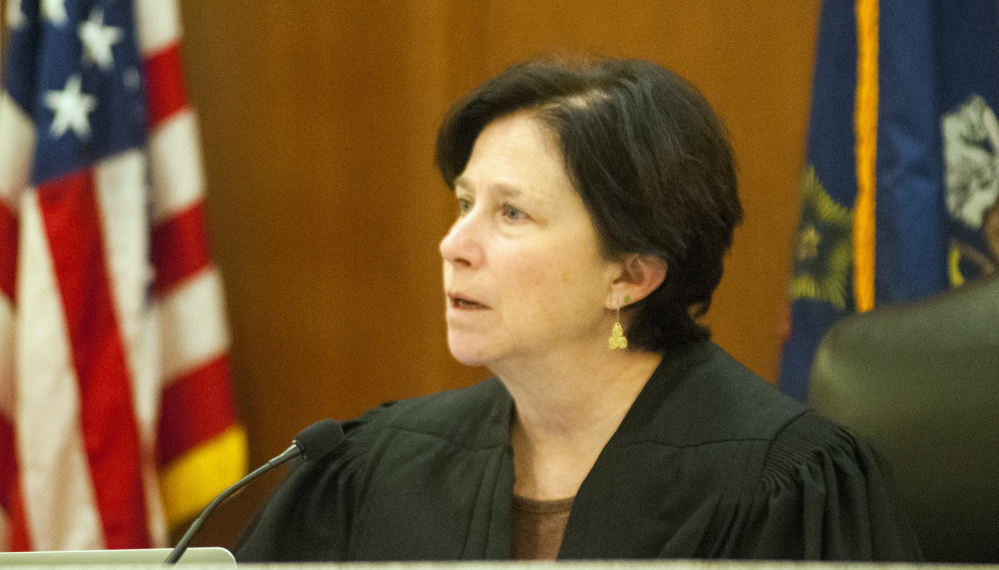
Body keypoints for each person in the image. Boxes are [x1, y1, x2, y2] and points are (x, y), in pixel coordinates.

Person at [234, 57, 921, 561]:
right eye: (463, 203)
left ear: (630, 275)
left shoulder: (784, 486)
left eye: (511, 213)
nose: (453, 245)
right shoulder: (372, 466)